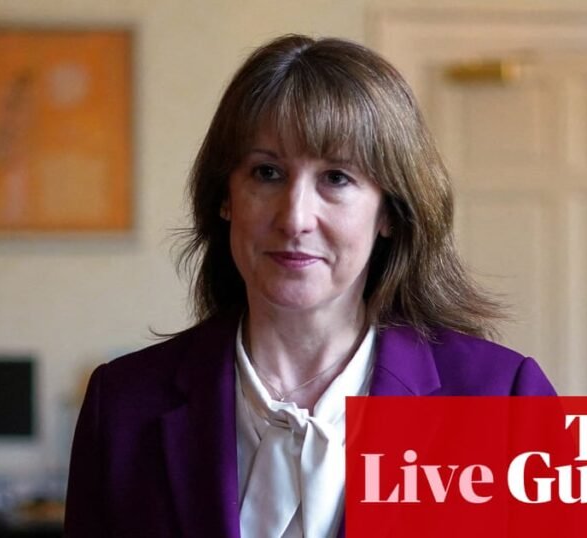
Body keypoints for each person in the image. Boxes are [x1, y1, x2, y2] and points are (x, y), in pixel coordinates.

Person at [64, 34, 555, 538]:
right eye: (267, 173)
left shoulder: (505, 400)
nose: (295, 218)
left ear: (389, 211)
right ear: (225, 197)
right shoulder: (122, 405)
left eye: (336, 177)